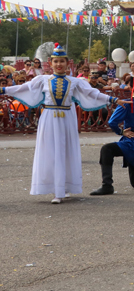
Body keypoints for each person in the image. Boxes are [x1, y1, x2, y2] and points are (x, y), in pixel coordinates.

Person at [0, 44, 124, 203]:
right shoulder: (43, 80)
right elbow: (24, 88)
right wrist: (3, 91)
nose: (59, 64)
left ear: (67, 64)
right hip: (49, 119)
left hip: (67, 119)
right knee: (51, 152)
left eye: (62, 61)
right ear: (50, 63)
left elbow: (92, 93)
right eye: (56, 61)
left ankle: (63, 189)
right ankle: (55, 190)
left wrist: (113, 100)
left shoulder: (75, 82)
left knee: (65, 152)